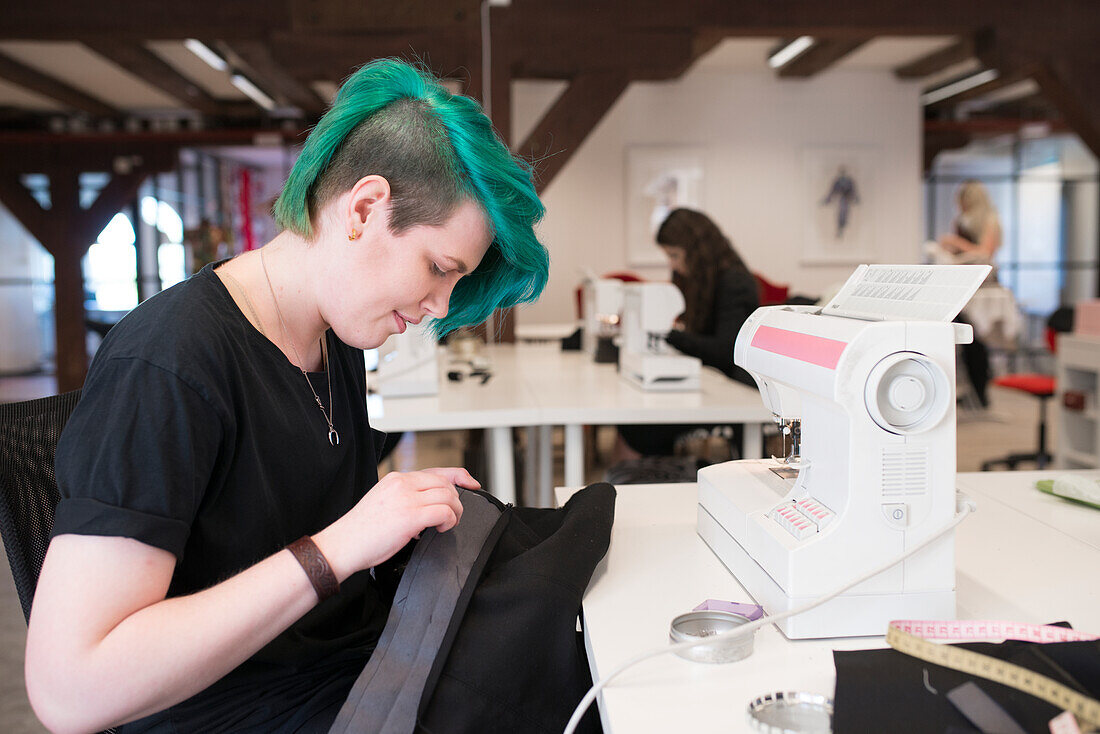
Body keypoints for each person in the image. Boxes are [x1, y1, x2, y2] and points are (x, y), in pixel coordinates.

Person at [25, 58, 548, 734]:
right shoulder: (170, 363)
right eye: (438, 270)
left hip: (345, 671)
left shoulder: (335, 343)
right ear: (363, 209)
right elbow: (72, 690)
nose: (439, 306)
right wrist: (339, 546)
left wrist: (386, 520)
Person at [616, 208, 760, 459]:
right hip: (714, 384)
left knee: (636, 429)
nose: (672, 264)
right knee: (633, 423)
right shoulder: (704, 279)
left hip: (734, 394)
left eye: (675, 255)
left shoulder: (734, 283)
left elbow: (726, 352)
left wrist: (672, 336)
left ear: (696, 251)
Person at [932, 179, 1003, 406]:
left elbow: (985, 252)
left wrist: (956, 243)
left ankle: (981, 391)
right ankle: (967, 390)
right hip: (961, 280)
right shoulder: (962, 221)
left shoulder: (990, 221)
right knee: (961, 338)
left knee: (976, 337)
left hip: (981, 285)